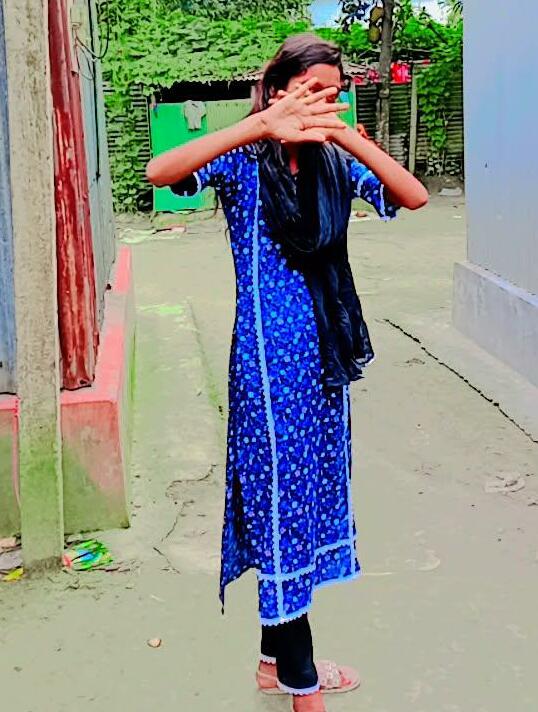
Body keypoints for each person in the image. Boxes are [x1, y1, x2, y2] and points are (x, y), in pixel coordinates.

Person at [147, 33, 428, 712]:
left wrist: (345, 133)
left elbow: (412, 195)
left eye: (333, 93)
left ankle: (274, 664)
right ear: (276, 91)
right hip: (269, 367)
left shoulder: (332, 163)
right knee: (279, 510)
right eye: (309, 91)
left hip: (324, 360)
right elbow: (161, 172)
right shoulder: (244, 161)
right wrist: (260, 125)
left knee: (303, 501)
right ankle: (305, 691)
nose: (321, 103)